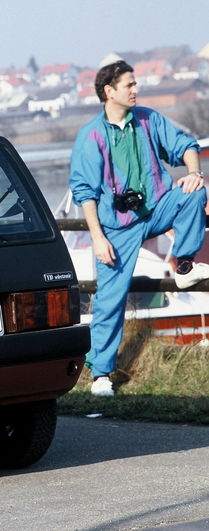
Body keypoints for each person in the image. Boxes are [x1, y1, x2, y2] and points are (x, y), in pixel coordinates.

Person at [69, 60, 209, 396]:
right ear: (109, 91)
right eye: (129, 85)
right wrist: (98, 239)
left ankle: (185, 265)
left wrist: (194, 173)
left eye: (135, 84)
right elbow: (84, 193)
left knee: (193, 193)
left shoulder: (148, 120)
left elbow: (187, 146)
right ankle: (101, 376)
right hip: (116, 228)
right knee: (109, 300)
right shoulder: (90, 136)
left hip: (157, 208)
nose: (136, 90)